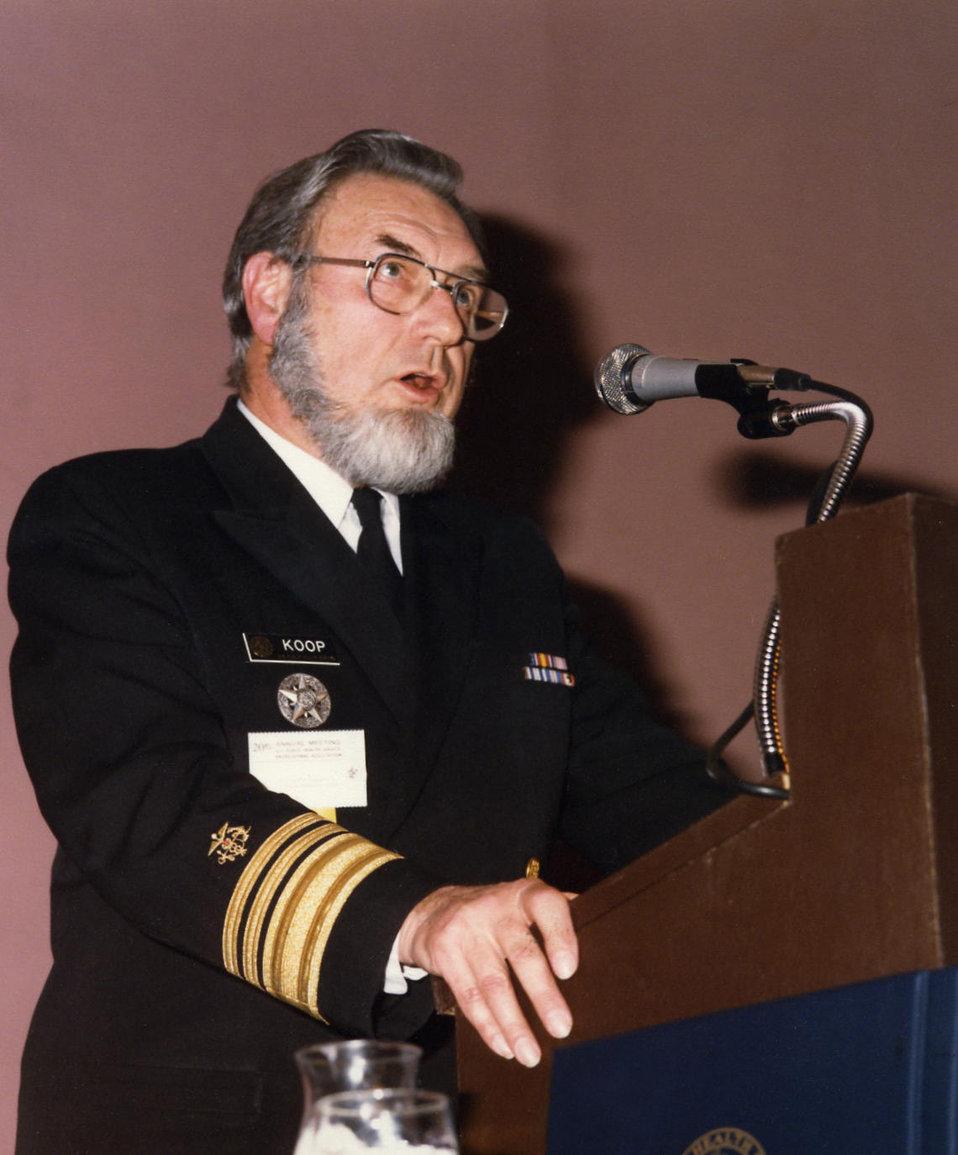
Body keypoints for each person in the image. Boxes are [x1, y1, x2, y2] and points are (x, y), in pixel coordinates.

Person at [8, 129, 726, 1153]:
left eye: (465, 296)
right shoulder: (120, 514)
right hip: (196, 1122)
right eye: (395, 274)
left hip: (470, 1118)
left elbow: (662, 814)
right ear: (270, 295)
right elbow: (146, 800)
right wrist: (416, 917)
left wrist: (846, 857)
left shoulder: (501, 566)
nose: (444, 325)